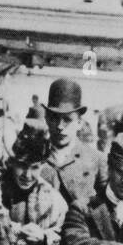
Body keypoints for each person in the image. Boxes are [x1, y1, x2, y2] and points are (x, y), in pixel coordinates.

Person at [2, 119, 68, 245]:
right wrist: (12, 231)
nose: (27, 175)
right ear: (12, 162)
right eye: (22, 166)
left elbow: (63, 236)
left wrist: (44, 237)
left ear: (43, 165)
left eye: (35, 167)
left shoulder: (54, 200)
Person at [42, 77, 104, 206]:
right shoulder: (34, 155)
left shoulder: (96, 160)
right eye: (54, 118)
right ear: (46, 119)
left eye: (67, 120)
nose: (60, 126)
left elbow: (104, 208)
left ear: (80, 123)